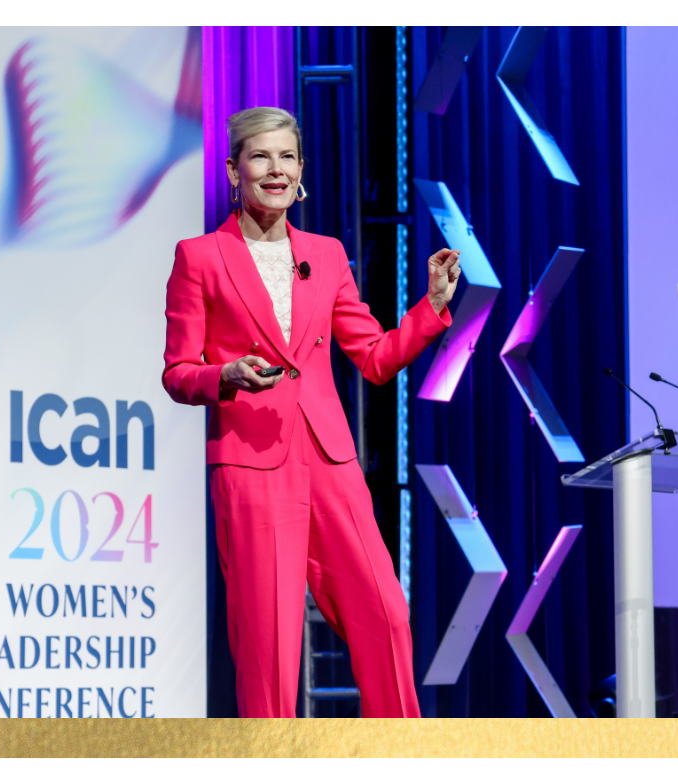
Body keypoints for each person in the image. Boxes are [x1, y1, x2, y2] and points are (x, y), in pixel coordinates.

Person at [162, 107, 461, 717]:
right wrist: (225, 375)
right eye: (260, 156)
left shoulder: (325, 255)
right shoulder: (200, 257)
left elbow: (374, 357)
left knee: (385, 613)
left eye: (287, 157)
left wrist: (430, 307)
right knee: (269, 643)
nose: (276, 169)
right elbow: (177, 372)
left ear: (301, 171)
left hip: (329, 460)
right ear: (234, 171)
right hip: (251, 464)